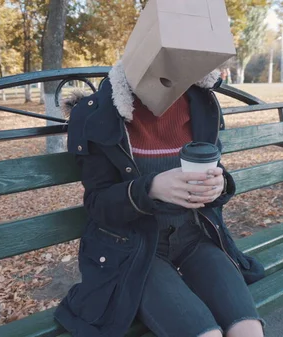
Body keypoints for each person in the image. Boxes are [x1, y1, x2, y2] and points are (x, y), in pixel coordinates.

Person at [53, 60, 267, 337]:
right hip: (133, 250)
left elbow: (216, 169)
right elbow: (97, 204)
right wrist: (150, 189)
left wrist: (220, 184)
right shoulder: (99, 114)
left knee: (249, 331)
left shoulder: (201, 102)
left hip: (195, 239)